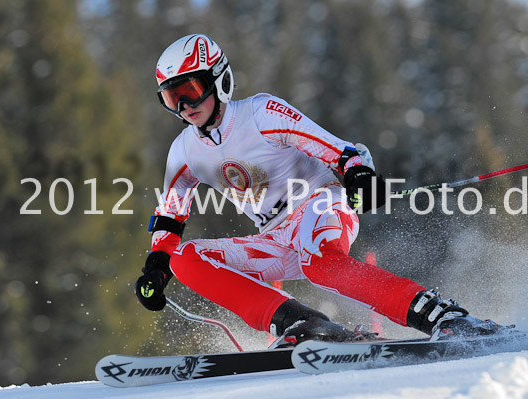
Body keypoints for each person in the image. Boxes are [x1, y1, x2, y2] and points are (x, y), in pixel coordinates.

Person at [135, 34, 505, 347]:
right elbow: (171, 216)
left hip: (319, 203)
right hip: (276, 235)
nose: (184, 107)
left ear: (219, 80)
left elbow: (341, 151)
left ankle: (442, 316)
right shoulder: (184, 150)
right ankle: (302, 324)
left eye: (191, 91)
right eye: (171, 98)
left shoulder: (262, 113)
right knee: (183, 258)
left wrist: (359, 175)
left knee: (319, 263)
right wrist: (156, 267)